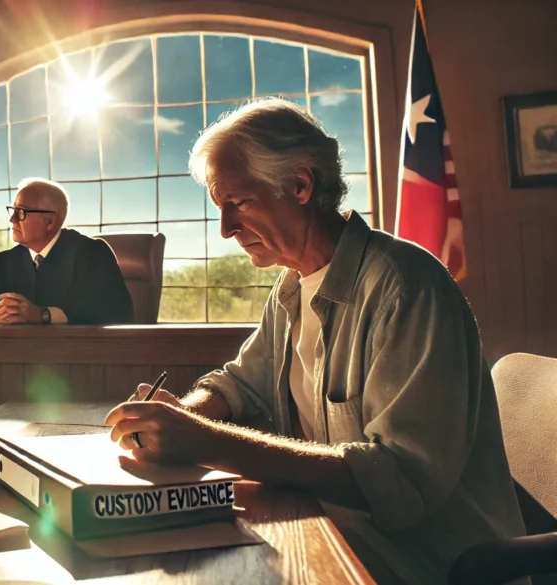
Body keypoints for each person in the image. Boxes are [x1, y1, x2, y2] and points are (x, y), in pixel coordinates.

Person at [105, 98, 526, 585]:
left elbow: (399, 480)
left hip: (424, 564)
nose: (225, 229)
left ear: (301, 185)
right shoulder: (291, 286)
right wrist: (186, 411)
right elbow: (238, 384)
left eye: (237, 203)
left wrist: (204, 442)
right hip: (331, 533)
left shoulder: (407, 287)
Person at [0, 178, 133, 326]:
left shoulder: (92, 254)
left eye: (21, 212)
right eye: (13, 211)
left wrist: (42, 315)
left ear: (50, 222)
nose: (13, 219)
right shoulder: (2, 263)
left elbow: (113, 313)